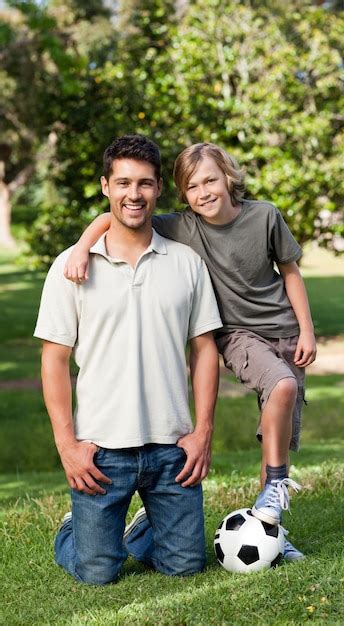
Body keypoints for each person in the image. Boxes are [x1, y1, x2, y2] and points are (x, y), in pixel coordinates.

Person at [64, 142, 317, 561]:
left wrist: (307, 330)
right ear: (182, 194)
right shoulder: (184, 226)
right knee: (284, 385)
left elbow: (290, 271)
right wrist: (81, 246)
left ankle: (271, 529)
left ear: (229, 177)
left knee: (276, 441)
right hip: (236, 334)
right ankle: (273, 491)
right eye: (193, 186)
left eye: (211, 181)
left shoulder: (266, 216)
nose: (204, 193)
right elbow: (118, 212)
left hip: (286, 331)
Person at [34, 135, 223, 585]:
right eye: (122, 183)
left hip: (171, 447)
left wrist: (203, 432)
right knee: (98, 572)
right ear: (105, 187)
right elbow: (54, 360)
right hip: (101, 450)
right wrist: (67, 445)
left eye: (144, 184)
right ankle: (73, 529)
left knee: (186, 566)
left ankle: (141, 527)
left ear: (159, 189)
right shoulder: (73, 266)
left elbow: (205, 349)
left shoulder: (186, 263)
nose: (133, 195)